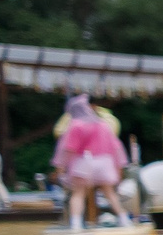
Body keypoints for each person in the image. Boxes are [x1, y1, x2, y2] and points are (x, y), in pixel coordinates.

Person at [51, 94, 128, 228]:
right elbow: (115, 147)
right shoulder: (103, 125)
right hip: (104, 161)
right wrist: (118, 167)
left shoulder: (76, 125)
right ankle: (124, 219)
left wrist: (61, 167)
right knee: (109, 192)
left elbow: (69, 149)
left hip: (83, 160)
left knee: (78, 193)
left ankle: (76, 223)